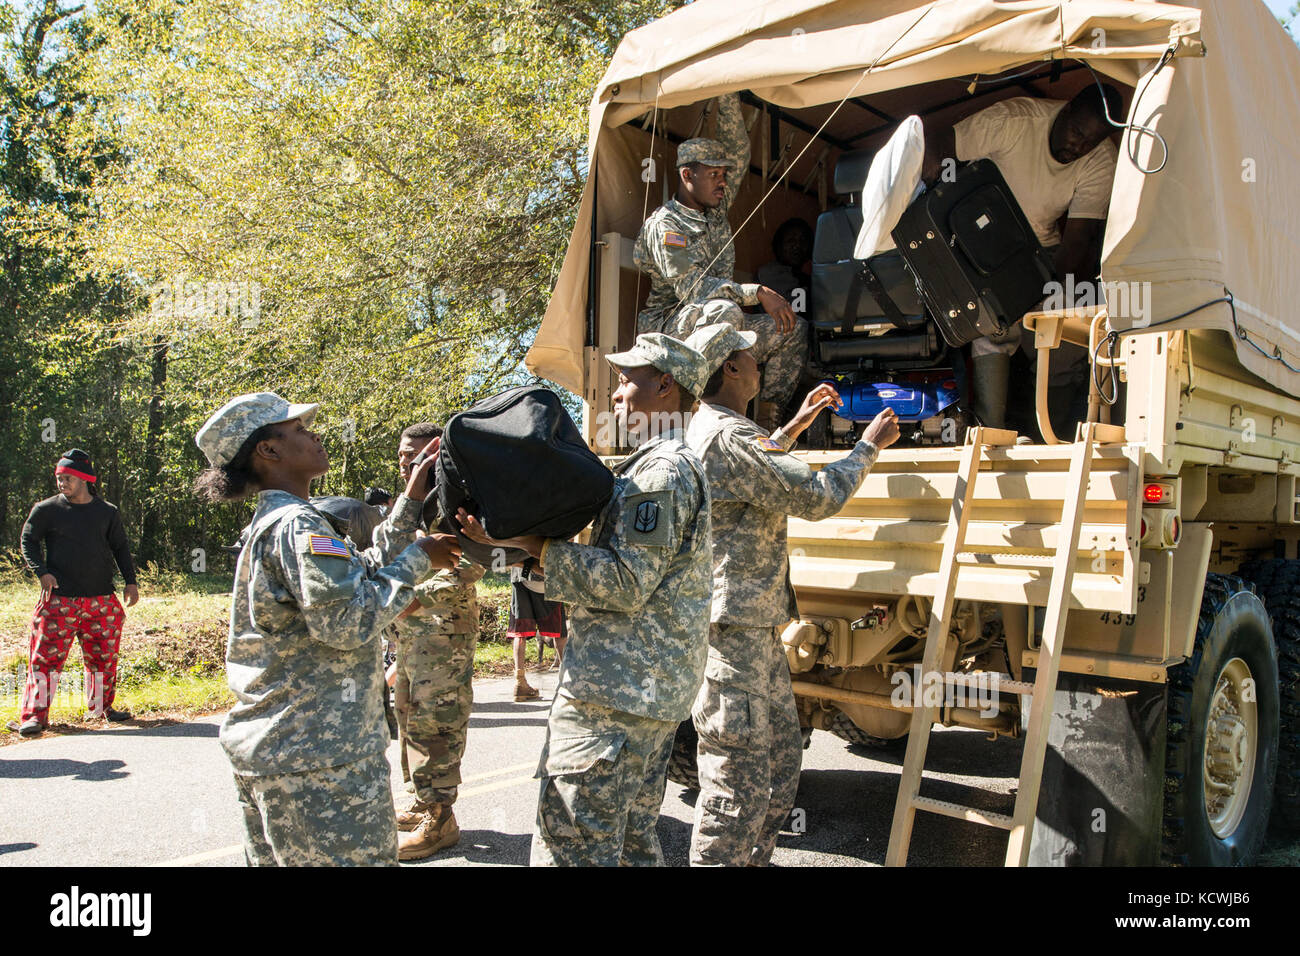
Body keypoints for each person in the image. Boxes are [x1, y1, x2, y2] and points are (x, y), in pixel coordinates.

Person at [458, 333, 713, 867]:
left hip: (612, 698)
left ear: (666, 386)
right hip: (642, 695)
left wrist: (539, 547)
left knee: (571, 846)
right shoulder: (658, 466)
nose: (615, 396)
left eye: (626, 382)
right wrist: (520, 553)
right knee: (632, 847)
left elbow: (625, 582)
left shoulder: (659, 474)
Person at [193, 392, 461, 866]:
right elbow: (348, 621)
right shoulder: (299, 527)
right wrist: (421, 559)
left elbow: (360, 575)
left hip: (284, 753)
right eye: (298, 430)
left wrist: (410, 501)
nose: (314, 435)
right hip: (319, 761)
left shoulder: (284, 521)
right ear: (268, 451)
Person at [683, 322, 900, 866]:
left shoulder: (715, 429)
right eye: (752, 357)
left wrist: (797, 424)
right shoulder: (732, 435)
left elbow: (752, 477)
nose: (762, 365)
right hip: (734, 636)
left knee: (778, 770)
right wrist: (868, 447)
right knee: (737, 784)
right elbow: (818, 496)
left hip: (750, 633)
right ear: (731, 368)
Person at [923, 83, 1121, 432]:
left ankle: (1051, 430)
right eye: (1076, 133)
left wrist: (1040, 299)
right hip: (979, 241)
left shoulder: (1101, 158)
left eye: (1089, 141)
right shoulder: (1015, 120)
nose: (1079, 146)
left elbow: (1077, 243)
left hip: (1043, 252)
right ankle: (990, 430)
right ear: (1068, 107)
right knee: (992, 322)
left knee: (1064, 328)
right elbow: (939, 145)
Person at [633, 93, 807, 423]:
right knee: (725, 310)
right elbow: (693, 290)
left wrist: (727, 90)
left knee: (792, 328)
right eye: (715, 175)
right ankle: (709, 415)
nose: (724, 182)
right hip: (672, 330)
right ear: (688, 176)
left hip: (723, 327)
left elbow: (738, 150)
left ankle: (769, 420)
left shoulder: (715, 209)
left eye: (723, 175)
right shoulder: (665, 226)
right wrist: (756, 292)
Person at [389, 421, 486, 861]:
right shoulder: (409, 505)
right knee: (408, 720)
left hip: (444, 636)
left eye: (414, 453)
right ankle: (422, 800)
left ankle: (441, 819)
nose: (407, 460)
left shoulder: (456, 498)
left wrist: (405, 599)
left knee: (438, 724)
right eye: (402, 456)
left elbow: (471, 566)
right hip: (410, 636)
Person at [10, 449, 139, 737]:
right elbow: (28, 540)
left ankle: (101, 709)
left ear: (84, 479)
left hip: (102, 600)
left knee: (103, 659)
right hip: (59, 601)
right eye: (59, 478)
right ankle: (34, 718)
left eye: (67, 477)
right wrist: (41, 572)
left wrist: (130, 581)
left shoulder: (107, 512)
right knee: (44, 660)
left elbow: (120, 548)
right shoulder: (46, 510)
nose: (61, 483)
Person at [506, 560, 566, 700]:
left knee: (520, 631)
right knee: (559, 632)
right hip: (546, 574)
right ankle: (566, 681)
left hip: (521, 575)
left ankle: (519, 682)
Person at [755, 217, 814, 304]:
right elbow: (795, 310)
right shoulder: (769, 274)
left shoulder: (806, 276)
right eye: (790, 241)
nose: (797, 246)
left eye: (803, 240)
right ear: (779, 246)